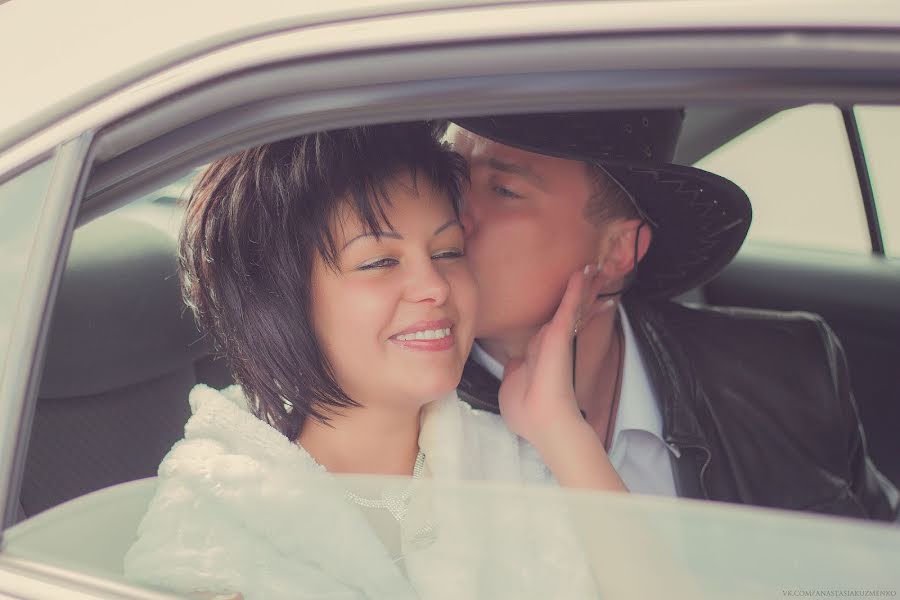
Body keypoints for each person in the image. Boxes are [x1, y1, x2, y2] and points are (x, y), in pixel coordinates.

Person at [124, 123, 623, 599]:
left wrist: (560, 428)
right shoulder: (211, 521)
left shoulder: (507, 465)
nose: (434, 286)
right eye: (380, 262)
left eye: (448, 252)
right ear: (277, 299)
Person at [447, 110, 898, 519]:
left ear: (618, 251)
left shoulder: (789, 375)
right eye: (450, 174)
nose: (451, 214)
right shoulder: (408, 415)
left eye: (504, 190)